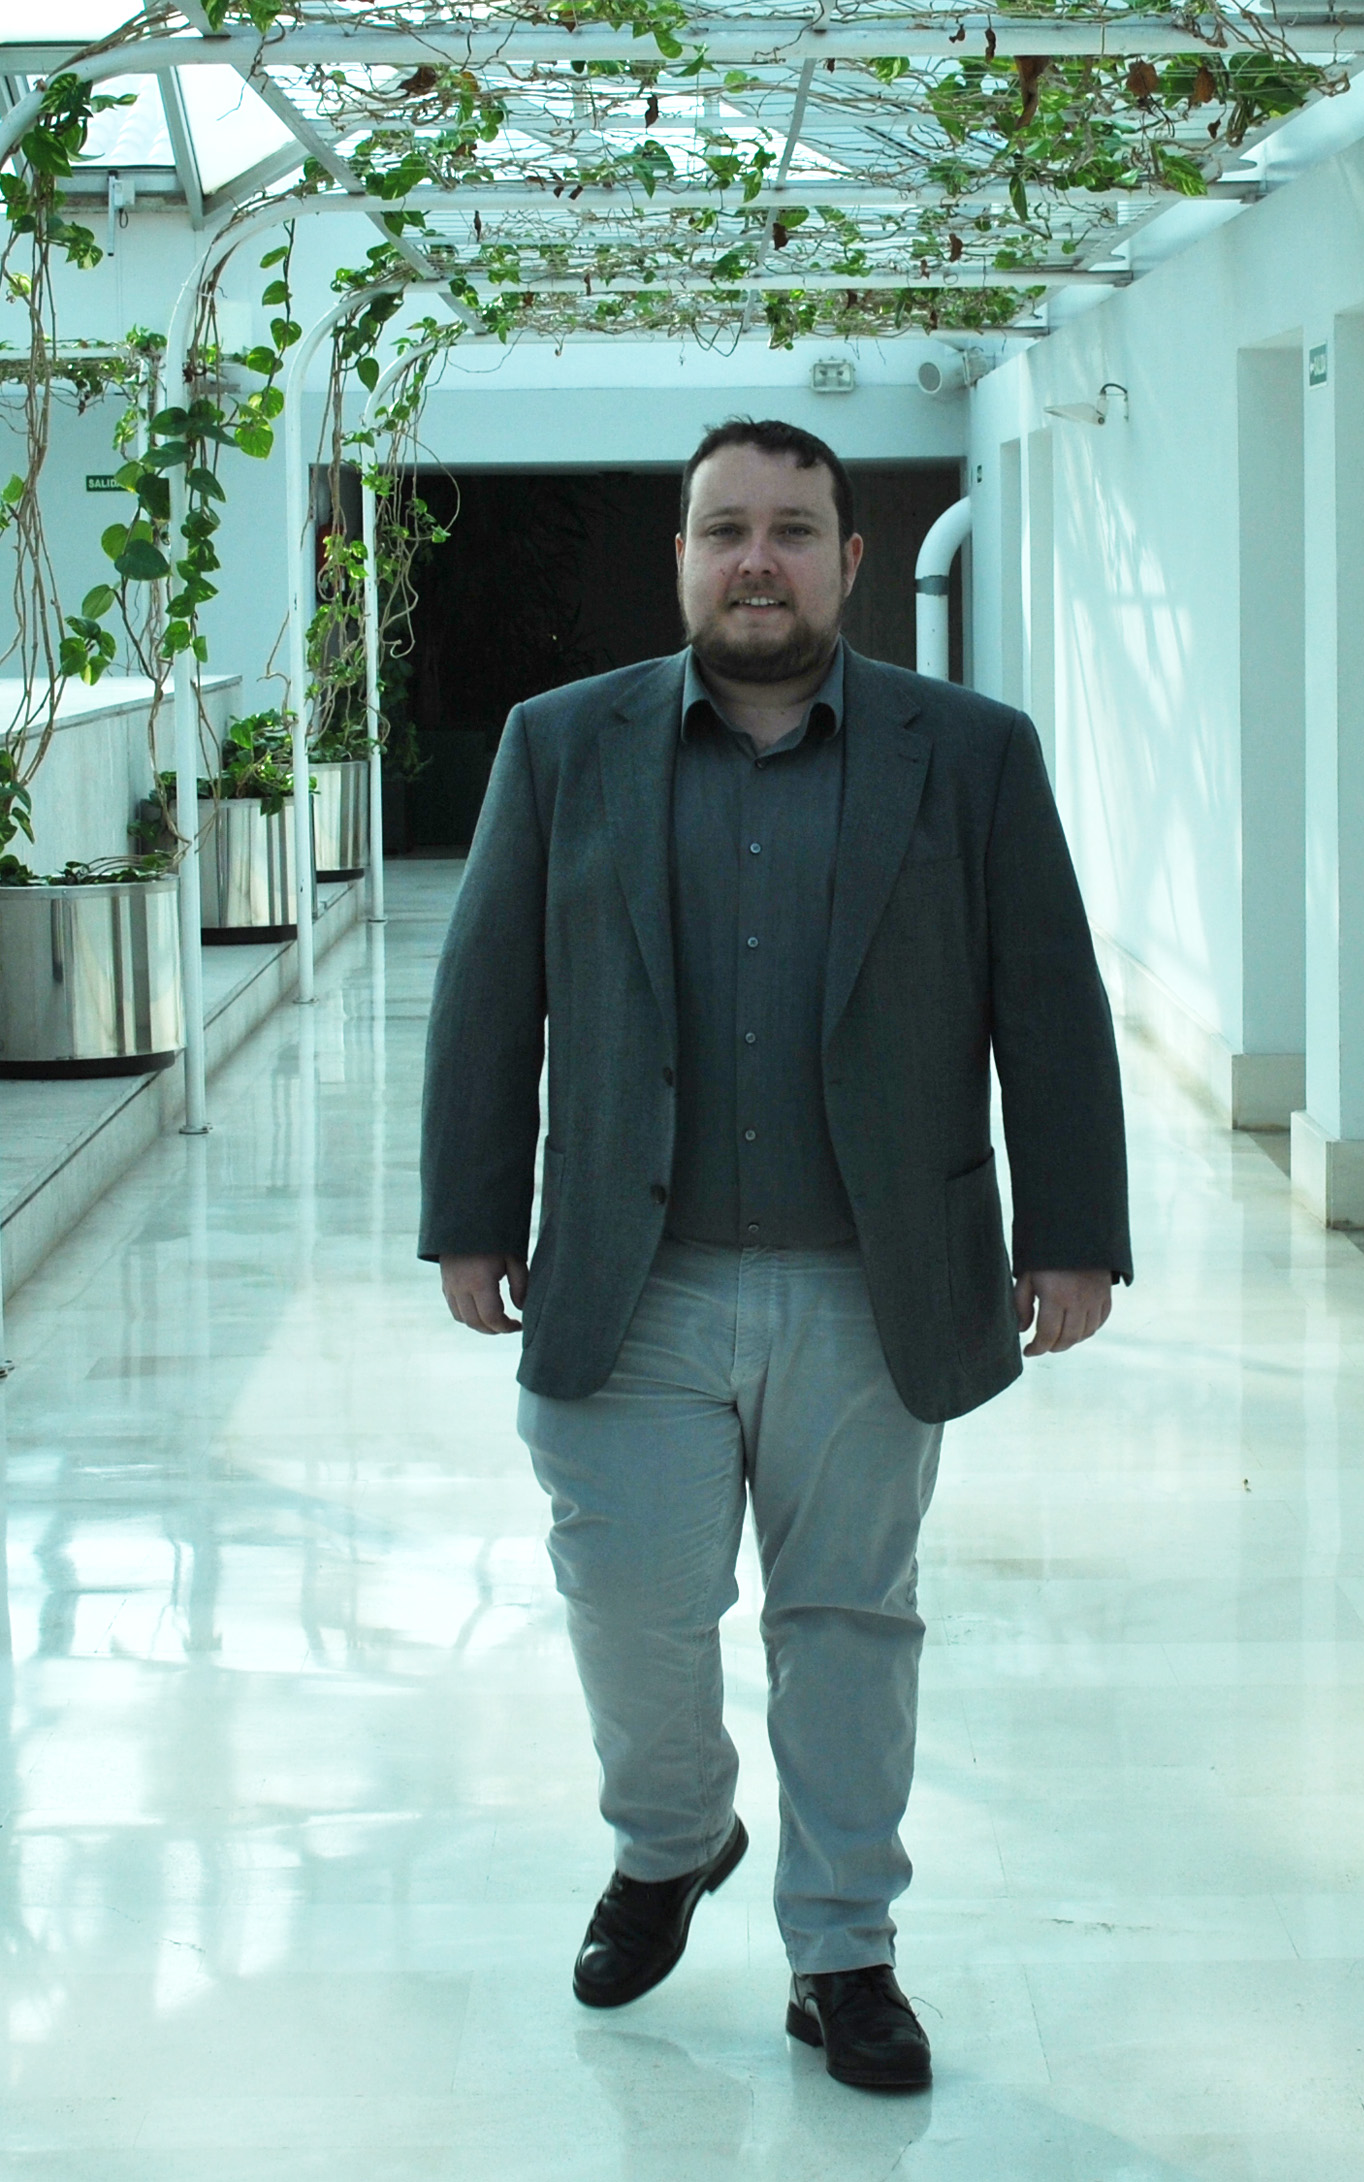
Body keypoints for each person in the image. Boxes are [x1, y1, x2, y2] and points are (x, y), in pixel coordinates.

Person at [419, 417, 1131, 2093]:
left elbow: (1048, 995)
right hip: (628, 1277)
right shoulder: (561, 744)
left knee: (849, 1621)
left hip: (872, 1285)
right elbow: (489, 988)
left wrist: (1073, 1232)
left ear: (849, 560)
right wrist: (471, 1210)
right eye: (725, 528)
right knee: (628, 1600)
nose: (759, 559)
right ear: (680, 555)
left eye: (794, 529)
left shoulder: (970, 754)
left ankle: (844, 1948)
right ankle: (673, 1836)